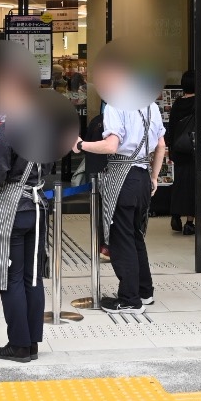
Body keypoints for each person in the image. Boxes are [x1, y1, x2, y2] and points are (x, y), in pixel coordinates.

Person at [0, 100, 66, 362]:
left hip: (11, 209)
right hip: (37, 207)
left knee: (11, 278)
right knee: (33, 278)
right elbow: (49, 166)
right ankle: (32, 343)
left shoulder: (8, 130)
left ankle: (18, 345)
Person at [77, 65, 165, 314]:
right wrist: (154, 177)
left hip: (122, 178)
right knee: (135, 236)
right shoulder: (151, 106)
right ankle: (144, 292)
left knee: (121, 239)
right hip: (143, 175)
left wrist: (81, 144)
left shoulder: (116, 106)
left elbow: (111, 146)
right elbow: (161, 145)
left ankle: (129, 299)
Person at [166, 71, 201, 236]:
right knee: (193, 186)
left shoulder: (177, 103)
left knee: (179, 183)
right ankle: (189, 223)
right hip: (194, 150)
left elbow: (171, 128)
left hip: (178, 149)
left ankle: (175, 215)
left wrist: (171, 149)